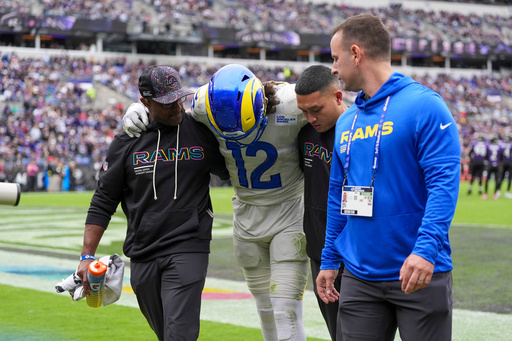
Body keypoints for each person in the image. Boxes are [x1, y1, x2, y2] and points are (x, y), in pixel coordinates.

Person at [123, 64, 310, 341]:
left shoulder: (291, 103)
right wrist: (138, 110)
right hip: (246, 215)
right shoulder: (201, 105)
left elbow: (335, 105)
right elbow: (171, 113)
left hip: (289, 210)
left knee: (285, 310)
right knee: (265, 310)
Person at [316, 14, 460, 341]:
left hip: (419, 274)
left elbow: (444, 186)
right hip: (359, 278)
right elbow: (339, 193)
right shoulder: (346, 121)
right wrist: (330, 260)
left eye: (336, 59)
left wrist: (425, 251)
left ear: (356, 54)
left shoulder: (425, 106)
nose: (334, 69)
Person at [77, 65, 229, 341]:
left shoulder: (201, 131)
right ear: (145, 102)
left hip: (188, 246)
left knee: (179, 335)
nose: (176, 107)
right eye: (167, 102)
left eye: (178, 98)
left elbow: (232, 169)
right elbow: (103, 200)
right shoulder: (127, 141)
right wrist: (87, 255)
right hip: (143, 252)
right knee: (166, 333)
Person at [295, 65, 348, 341]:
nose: (310, 117)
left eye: (316, 109)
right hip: (319, 253)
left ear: (338, 97)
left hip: (353, 258)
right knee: (337, 334)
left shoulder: (358, 133)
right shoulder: (305, 135)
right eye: (304, 111)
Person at [482, 134, 503, 200]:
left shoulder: (488, 146)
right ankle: (494, 194)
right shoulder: (499, 147)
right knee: (497, 180)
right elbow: (501, 157)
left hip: (490, 164)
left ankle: (486, 193)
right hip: (497, 164)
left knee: (487, 180)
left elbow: (486, 156)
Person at [497, 134, 512, 199]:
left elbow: (500, 154)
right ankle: (507, 192)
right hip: (510, 162)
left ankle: (498, 191)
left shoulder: (501, 145)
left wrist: (500, 161)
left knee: (501, 177)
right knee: (509, 178)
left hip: (503, 162)